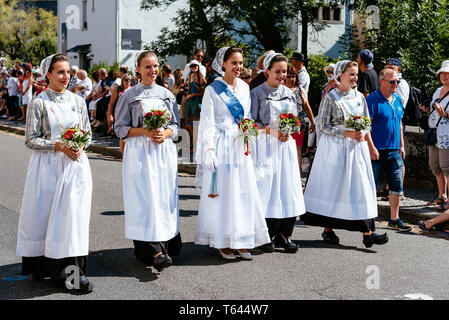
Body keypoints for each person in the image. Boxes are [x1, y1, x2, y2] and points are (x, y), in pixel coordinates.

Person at [16, 54, 93, 294]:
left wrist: (81, 145)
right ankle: (44, 266)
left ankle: (71, 273)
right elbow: (30, 139)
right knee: (46, 217)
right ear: (47, 74)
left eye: (68, 72)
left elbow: (88, 132)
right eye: (60, 72)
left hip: (75, 166)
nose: (66, 77)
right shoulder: (39, 102)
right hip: (47, 168)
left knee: (72, 219)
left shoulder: (78, 101)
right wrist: (57, 146)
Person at [301, 60, 389, 248]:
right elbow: (323, 126)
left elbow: (366, 122)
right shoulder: (331, 97)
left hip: (356, 148)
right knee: (335, 188)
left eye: (356, 75)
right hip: (335, 149)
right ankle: (328, 228)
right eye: (351, 74)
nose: (355, 78)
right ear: (340, 75)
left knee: (361, 187)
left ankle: (368, 233)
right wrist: (346, 133)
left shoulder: (359, 97)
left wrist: (368, 142)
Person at [194, 46, 270, 260]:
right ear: (223, 64)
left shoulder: (245, 88)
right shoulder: (212, 89)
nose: (238, 67)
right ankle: (223, 241)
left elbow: (246, 117)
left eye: (240, 63)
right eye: (234, 63)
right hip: (220, 144)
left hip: (239, 143)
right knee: (225, 194)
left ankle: (240, 239)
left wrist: (250, 138)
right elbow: (207, 121)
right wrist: (208, 150)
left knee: (241, 192)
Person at [114, 51, 181, 272]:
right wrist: (145, 130)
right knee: (144, 198)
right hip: (140, 152)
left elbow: (175, 124)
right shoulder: (129, 95)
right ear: (138, 70)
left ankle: (165, 243)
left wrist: (166, 134)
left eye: (155, 66)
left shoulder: (166, 94)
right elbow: (120, 128)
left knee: (162, 197)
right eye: (148, 67)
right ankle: (152, 250)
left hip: (162, 153)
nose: (152, 70)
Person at [250, 52, 306, 253]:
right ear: (267, 72)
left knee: (287, 188)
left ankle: (285, 234)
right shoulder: (256, 93)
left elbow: (295, 119)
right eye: (277, 71)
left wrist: (289, 130)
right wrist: (271, 131)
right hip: (266, 147)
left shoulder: (290, 93)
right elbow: (251, 123)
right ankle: (266, 234)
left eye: (285, 71)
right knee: (268, 189)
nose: (282, 75)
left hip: (285, 146)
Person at [366, 68, 411, 232]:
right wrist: (371, 147)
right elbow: (366, 127)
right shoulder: (372, 100)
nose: (396, 84)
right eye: (392, 82)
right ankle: (368, 219)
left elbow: (399, 123)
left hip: (393, 150)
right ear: (382, 81)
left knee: (397, 186)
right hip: (376, 150)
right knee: (370, 186)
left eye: (397, 81)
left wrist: (402, 145)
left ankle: (394, 218)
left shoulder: (397, 99)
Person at [419, 60, 449, 210]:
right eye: (442, 73)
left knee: (446, 167)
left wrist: (445, 114)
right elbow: (432, 110)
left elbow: (443, 114)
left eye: (447, 73)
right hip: (434, 133)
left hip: (447, 136)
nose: (444, 76)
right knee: (435, 166)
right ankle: (441, 195)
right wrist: (426, 109)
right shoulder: (438, 91)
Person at [285, 64, 316, 172]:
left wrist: (312, 122)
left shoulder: (300, 90)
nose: (291, 79)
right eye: (288, 76)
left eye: (293, 76)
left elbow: (307, 107)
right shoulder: (280, 89)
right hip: (283, 123)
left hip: (298, 123)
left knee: (297, 152)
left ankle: (297, 178)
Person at [185, 60, 206, 147]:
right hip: (191, 101)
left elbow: (204, 92)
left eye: (195, 66)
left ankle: (197, 143)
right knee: (188, 124)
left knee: (196, 124)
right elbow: (189, 89)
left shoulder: (201, 77)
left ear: (198, 66)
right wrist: (188, 95)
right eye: (191, 66)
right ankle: (197, 141)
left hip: (198, 101)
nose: (193, 67)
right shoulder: (190, 76)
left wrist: (194, 94)